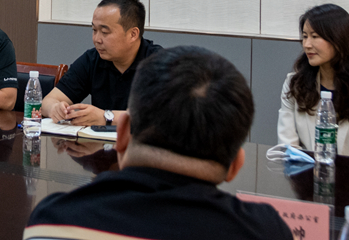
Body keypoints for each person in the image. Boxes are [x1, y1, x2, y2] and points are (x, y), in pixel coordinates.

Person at [26, 46, 293, 240]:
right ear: (235, 164)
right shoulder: (265, 232)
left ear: (122, 135)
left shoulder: (53, 222)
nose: (97, 37)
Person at [277, 3, 349, 159]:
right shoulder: (294, 84)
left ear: (339, 40)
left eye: (315, 36)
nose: (307, 45)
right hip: (305, 173)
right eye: (305, 36)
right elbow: (287, 147)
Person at [41, 0, 162, 126]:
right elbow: (48, 101)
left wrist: (106, 117)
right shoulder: (92, 59)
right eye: (94, 30)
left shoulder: (160, 63)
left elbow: (160, 116)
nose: (96, 39)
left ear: (133, 34)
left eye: (105, 32)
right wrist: (55, 109)